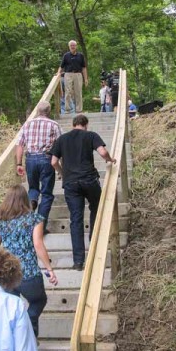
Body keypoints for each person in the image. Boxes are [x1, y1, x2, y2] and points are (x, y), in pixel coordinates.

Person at [49, 115, 116, 270]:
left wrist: (62, 173)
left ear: (73, 125)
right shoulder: (90, 135)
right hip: (89, 180)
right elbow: (103, 152)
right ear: (85, 124)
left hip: (71, 183)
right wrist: (110, 160)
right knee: (96, 208)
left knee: (76, 219)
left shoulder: (62, 139)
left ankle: (78, 262)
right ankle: (94, 243)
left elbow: (53, 162)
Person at [0, 185, 58, 337]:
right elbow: (38, 244)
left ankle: (16, 338)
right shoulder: (34, 219)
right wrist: (49, 269)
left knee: (12, 310)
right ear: (25, 200)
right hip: (28, 273)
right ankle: (27, 332)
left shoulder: (2, 222)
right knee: (39, 302)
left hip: (7, 275)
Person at [16, 101, 62, 231]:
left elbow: (19, 144)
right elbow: (61, 146)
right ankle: (40, 227)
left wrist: (19, 163)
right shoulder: (54, 125)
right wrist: (61, 165)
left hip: (30, 159)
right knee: (47, 194)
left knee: (33, 189)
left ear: (37, 111)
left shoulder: (27, 124)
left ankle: (32, 202)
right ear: (49, 111)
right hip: (46, 159)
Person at [57, 40, 88, 113]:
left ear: (76, 46)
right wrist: (58, 73)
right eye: (71, 45)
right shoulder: (66, 55)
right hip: (68, 74)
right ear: (69, 46)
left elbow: (84, 68)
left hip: (78, 74)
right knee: (68, 91)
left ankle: (79, 109)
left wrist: (85, 78)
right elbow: (61, 66)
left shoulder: (80, 55)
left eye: (74, 45)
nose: (73, 47)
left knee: (78, 92)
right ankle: (67, 109)